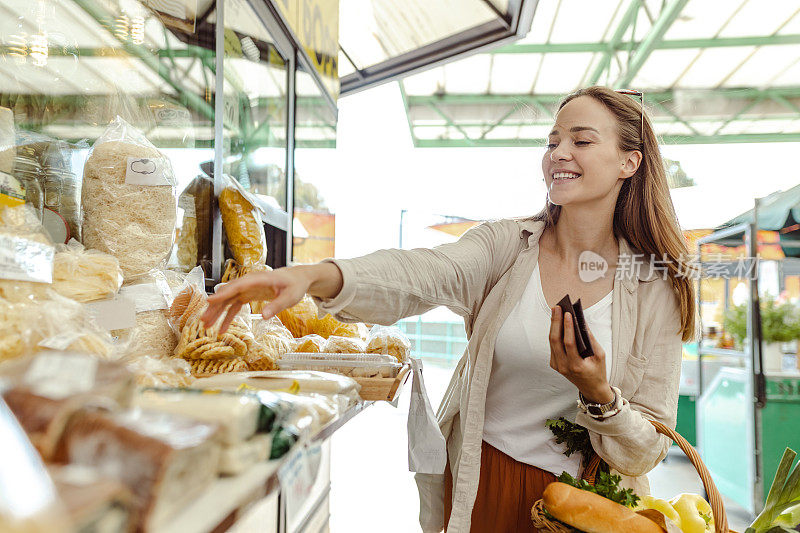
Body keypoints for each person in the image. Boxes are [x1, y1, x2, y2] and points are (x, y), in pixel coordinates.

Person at [202, 86, 696, 533]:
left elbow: (649, 448)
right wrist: (316, 275)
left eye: (581, 141)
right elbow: (424, 272)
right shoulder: (507, 247)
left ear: (629, 163)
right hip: (488, 481)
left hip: (595, 509)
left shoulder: (656, 283)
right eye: (552, 141)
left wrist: (598, 394)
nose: (558, 154)